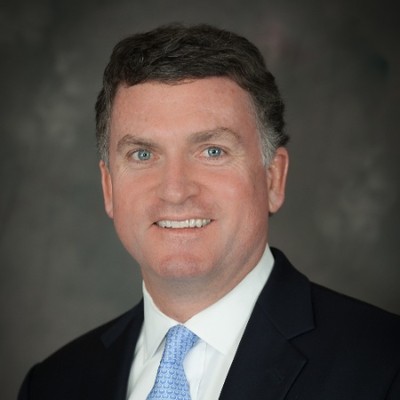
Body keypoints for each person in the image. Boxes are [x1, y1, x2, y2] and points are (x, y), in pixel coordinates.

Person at [18, 23, 400, 400]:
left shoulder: (384, 365)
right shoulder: (52, 385)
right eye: (143, 154)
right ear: (109, 188)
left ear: (273, 179)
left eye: (212, 151)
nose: (175, 190)